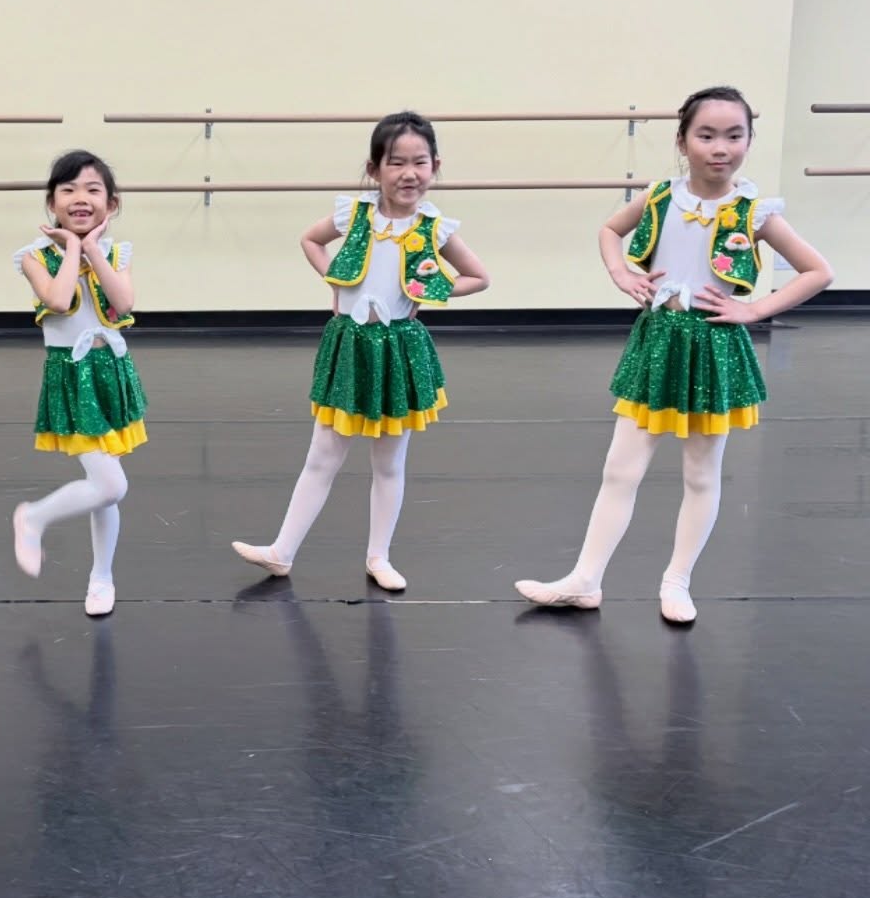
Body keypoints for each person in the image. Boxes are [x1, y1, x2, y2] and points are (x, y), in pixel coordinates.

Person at [516, 86, 833, 622]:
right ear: (682, 141)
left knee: (702, 474)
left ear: (749, 141)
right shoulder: (662, 195)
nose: (720, 148)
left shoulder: (755, 212)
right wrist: (621, 274)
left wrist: (754, 310)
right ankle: (585, 579)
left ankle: (677, 581)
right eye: (706, 135)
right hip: (658, 342)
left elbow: (818, 271)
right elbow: (611, 230)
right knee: (620, 469)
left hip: (713, 348)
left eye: (734, 136)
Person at [231, 111, 488, 590]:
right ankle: (281, 550)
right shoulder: (356, 214)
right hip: (349, 344)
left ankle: (379, 556)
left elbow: (479, 277)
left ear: (435, 166)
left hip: (397, 350)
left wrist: (430, 290)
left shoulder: (436, 228)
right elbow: (310, 240)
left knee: (389, 462)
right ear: (375, 169)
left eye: (420, 162)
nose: (408, 173)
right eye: (396, 162)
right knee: (322, 454)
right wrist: (335, 277)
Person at [11, 150, 145, 617]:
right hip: (72, 375)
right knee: (110, 484)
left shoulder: (117, 251)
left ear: (112, 203)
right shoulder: (33, 256)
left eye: (92, 190)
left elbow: (122, 301)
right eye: (68, 190)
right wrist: (71, 248)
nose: (80, 198)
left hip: (110, 373)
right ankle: (34, 517)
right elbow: (59, 296)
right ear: (52, 202)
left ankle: (101, 577)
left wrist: (92, 250)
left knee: (102, 484)